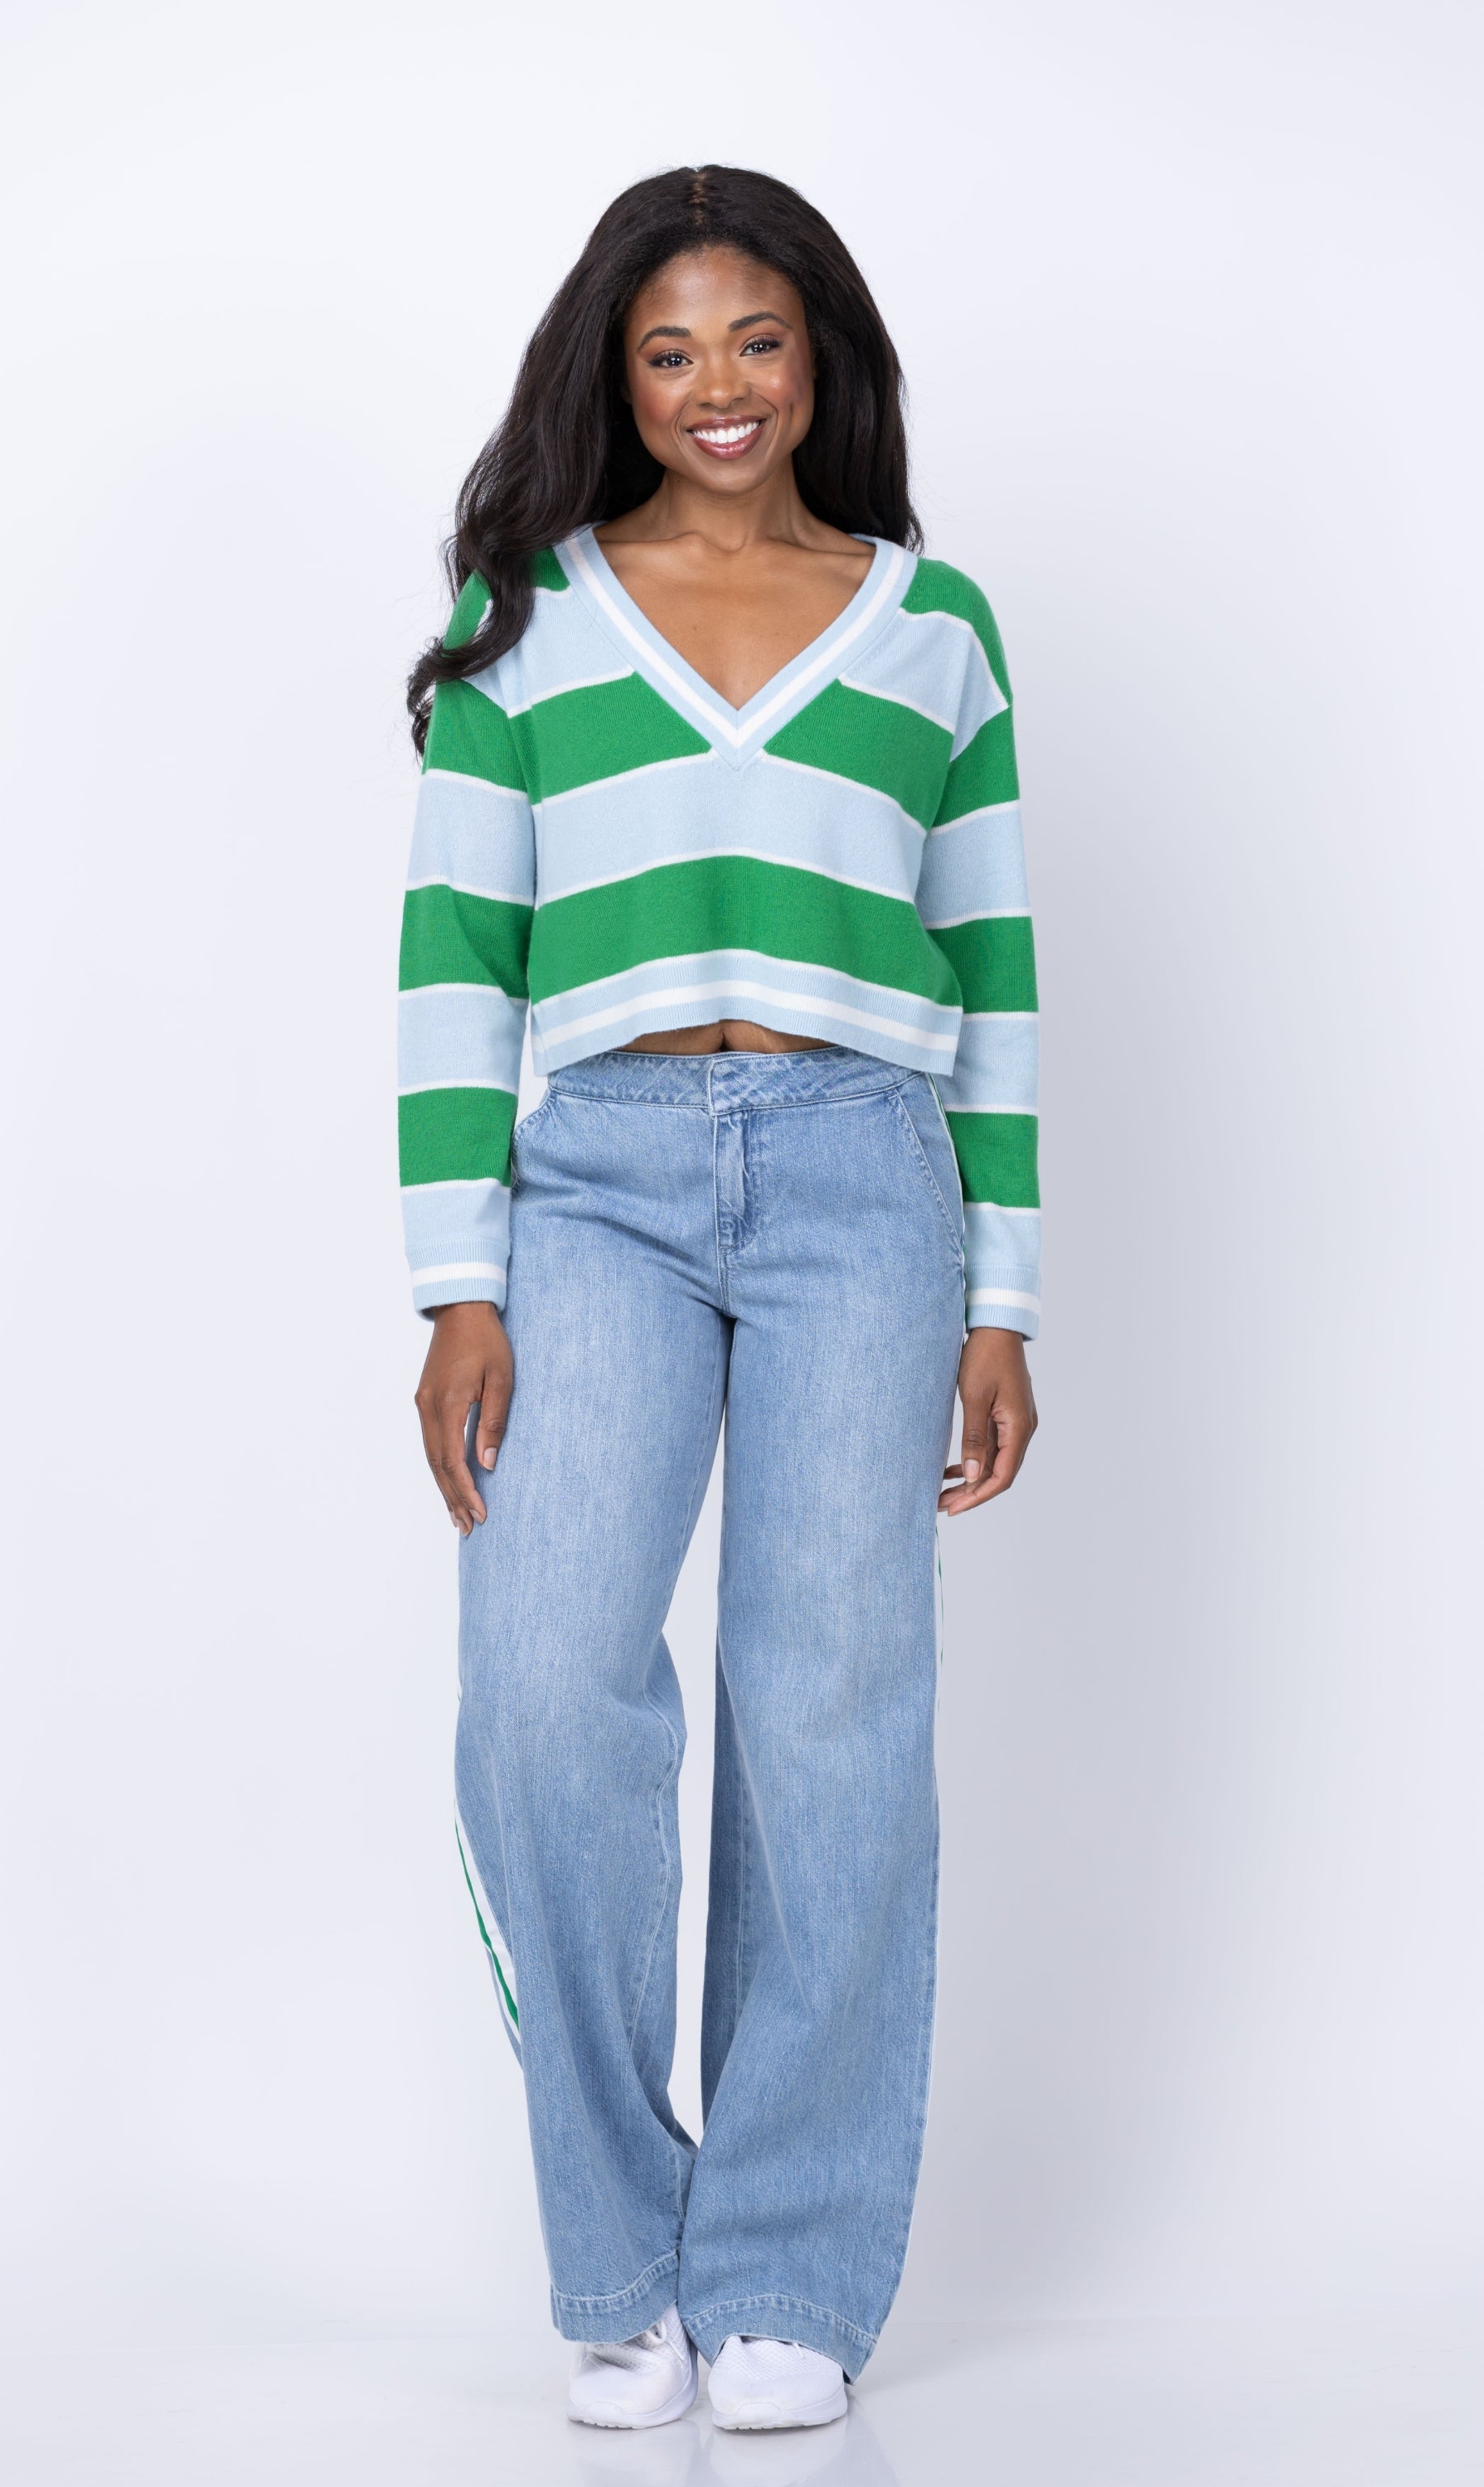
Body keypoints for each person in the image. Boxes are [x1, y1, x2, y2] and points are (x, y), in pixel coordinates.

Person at [399, 164, 1039, 2434]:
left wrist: (1005, 1295)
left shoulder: (934, 626)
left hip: (872, 1180)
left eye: (755, 339)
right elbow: (456, 962)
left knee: (829, 1712)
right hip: (596, 1184)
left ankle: (788, 2269)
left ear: (819, 352)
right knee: (544, 1689)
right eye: (668, 350)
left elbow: (994, 970)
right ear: (616, 374)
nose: (718, 387)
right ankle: (623, 2258)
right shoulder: (526, 623)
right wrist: (455, 1280)